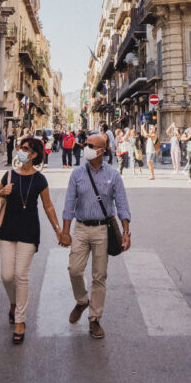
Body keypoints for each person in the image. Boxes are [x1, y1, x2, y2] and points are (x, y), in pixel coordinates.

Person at [60, 132, 130, 340]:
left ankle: (94, 319)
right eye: (86, 144)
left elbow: (122, 204)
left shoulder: (113, 175)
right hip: (81, 228)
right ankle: (82, 301)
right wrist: (65, 232)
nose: (86, 147)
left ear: (101, 151)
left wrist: (126, 232)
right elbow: (69, 204)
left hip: (102, 230)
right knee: (74, 270)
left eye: (90, 145)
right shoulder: (77, 174)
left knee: (99, 276)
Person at [0, 136, 64, 344]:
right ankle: (14, 303)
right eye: (20, 147)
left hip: (28, 231)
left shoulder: (40, 180)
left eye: (25, 148)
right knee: (7, 276)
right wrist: (1, 192)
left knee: (20, 275)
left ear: (33, 155)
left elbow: (48, 206)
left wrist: (58, 230)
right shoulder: (8, 175)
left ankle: (20, 320)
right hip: (7, 229)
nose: (20, 150)